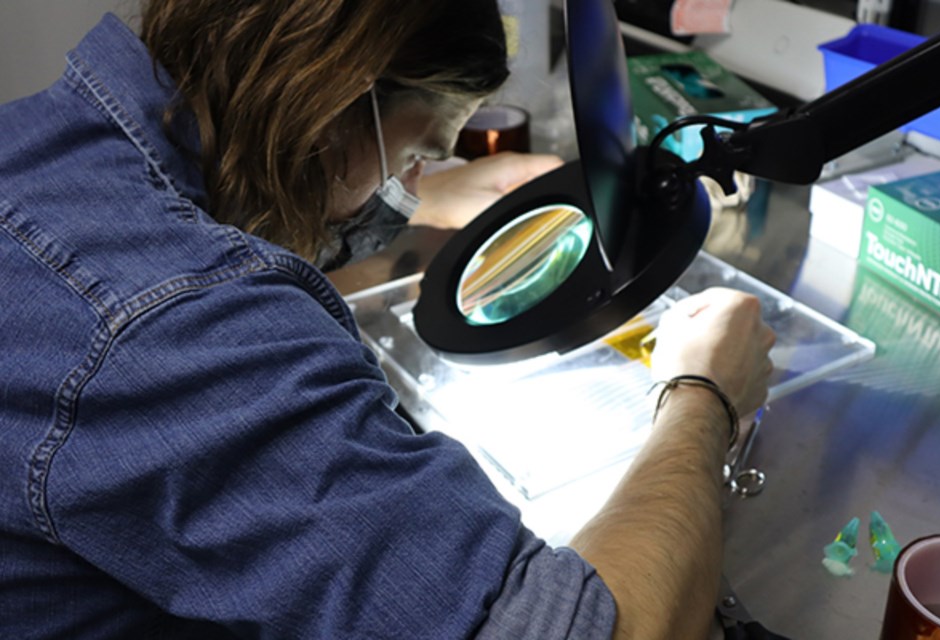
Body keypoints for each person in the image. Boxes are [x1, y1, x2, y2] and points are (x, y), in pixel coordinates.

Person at [0, 1, 775, 638]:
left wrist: (426, 198)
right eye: (417, 156)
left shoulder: (41, 149)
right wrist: (703, 394)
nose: (412, 185)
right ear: (335, 104)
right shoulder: (174, 331)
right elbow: (605, 630)